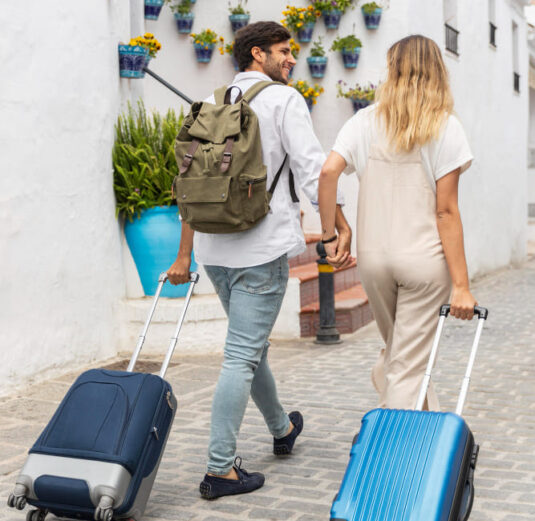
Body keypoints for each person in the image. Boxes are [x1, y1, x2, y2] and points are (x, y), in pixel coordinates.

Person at [167, 21, 352, 499]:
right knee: (242, 354)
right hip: (261, 246)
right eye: (283, 51)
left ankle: (281, 427)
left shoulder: (213, 102)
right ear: (256, 54)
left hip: (214, 249)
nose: (291, 59)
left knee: (251, 348)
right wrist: (336, 227)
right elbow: (314, 171)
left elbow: (190, 187)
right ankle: (219, 468)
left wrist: (185, 253)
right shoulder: (284, 100)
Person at [318, 35, 477, 411]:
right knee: (406, 366)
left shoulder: (364, 121)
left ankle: (426, 437)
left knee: (400, 356)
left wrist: (331, 234)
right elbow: (446, 211)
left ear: (393, 70)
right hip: (424, 261)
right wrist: (462, 285)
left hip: (374, 260)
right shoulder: (445, 126)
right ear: (437, 72)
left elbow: (327, 173)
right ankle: (389, 456)